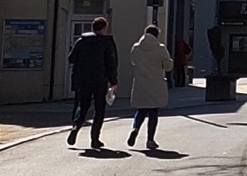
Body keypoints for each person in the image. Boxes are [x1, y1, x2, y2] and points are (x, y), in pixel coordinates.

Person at [68, 15, 119, 149]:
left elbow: (71, 58)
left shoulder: (81, 41)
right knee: (99, 110)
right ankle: (94, 139)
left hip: (83, 79)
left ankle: (76, 127)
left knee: (83, 105)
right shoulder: (106, 43)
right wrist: (113, 81)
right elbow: (111, 63)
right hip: (99, 80)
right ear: (103, 29)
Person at [127, 24, 173, 150]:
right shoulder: (160, 48)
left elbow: (133, 62)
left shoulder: (136, 48)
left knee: (141, 109)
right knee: (153, 112)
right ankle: (150, 140)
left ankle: (135, 128)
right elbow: (168, 66)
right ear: (156, 35)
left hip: (141, 82)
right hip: (155, 83)